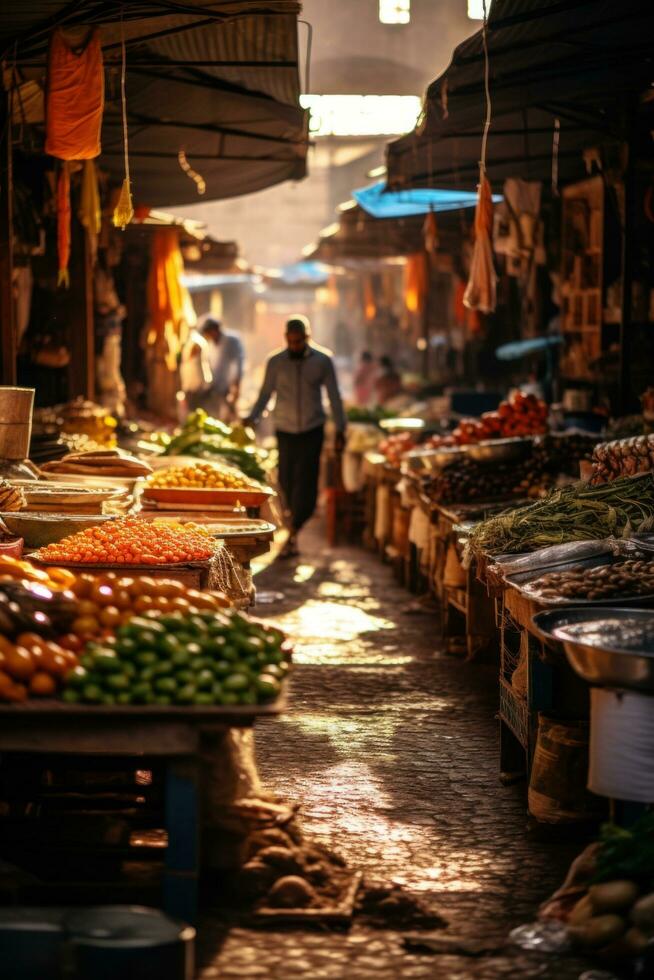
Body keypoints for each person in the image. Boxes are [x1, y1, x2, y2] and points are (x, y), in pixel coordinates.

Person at [245, 315, 346, 558]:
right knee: (287, 480)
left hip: (312, 429)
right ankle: (291, 527)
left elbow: (334, 397)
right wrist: (252, 417)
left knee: (307, 482)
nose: (295, 346)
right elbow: (265, 394)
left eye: (299, 342)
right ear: (285, 339)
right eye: (291, 342)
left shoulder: (323, 361)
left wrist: (341, 428)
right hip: (285, 429)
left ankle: (295, 528)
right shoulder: (275, 362)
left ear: (307, 338)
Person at [180, 316, 244, 421]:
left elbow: (238, 364)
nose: (208, 335)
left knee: (229, 417)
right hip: (212, 388)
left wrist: (236, 387)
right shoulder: (208, 344)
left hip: (227, 387)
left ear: (215, 329)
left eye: (209, 332)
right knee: (213, 417)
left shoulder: (232, 341)